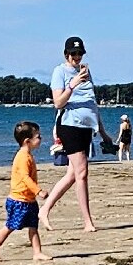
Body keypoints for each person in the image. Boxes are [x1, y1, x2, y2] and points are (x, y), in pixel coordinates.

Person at [41, 36, 114, 232]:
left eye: (80, 53)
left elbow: (93, 103)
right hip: (69, 125)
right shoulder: (59, 72)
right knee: (82, 173)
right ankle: (87, 222)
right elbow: (58, 103)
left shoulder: (86, 72)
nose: (77, 56)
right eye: (73, 53)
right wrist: (72, 84)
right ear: (66, 54)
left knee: (73, 174)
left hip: (87, 127)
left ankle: (45, 209)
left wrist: (103, 132)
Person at [0, 121, 51, 262]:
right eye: (38, 137)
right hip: (18, 200)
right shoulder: (22, 157)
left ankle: (37, 252)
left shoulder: (28, 155)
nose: (41, 139)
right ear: (28, 141)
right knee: (10, 226)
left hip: (29, 200)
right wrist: (38, 191)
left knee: (33, 227)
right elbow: (25, 178)